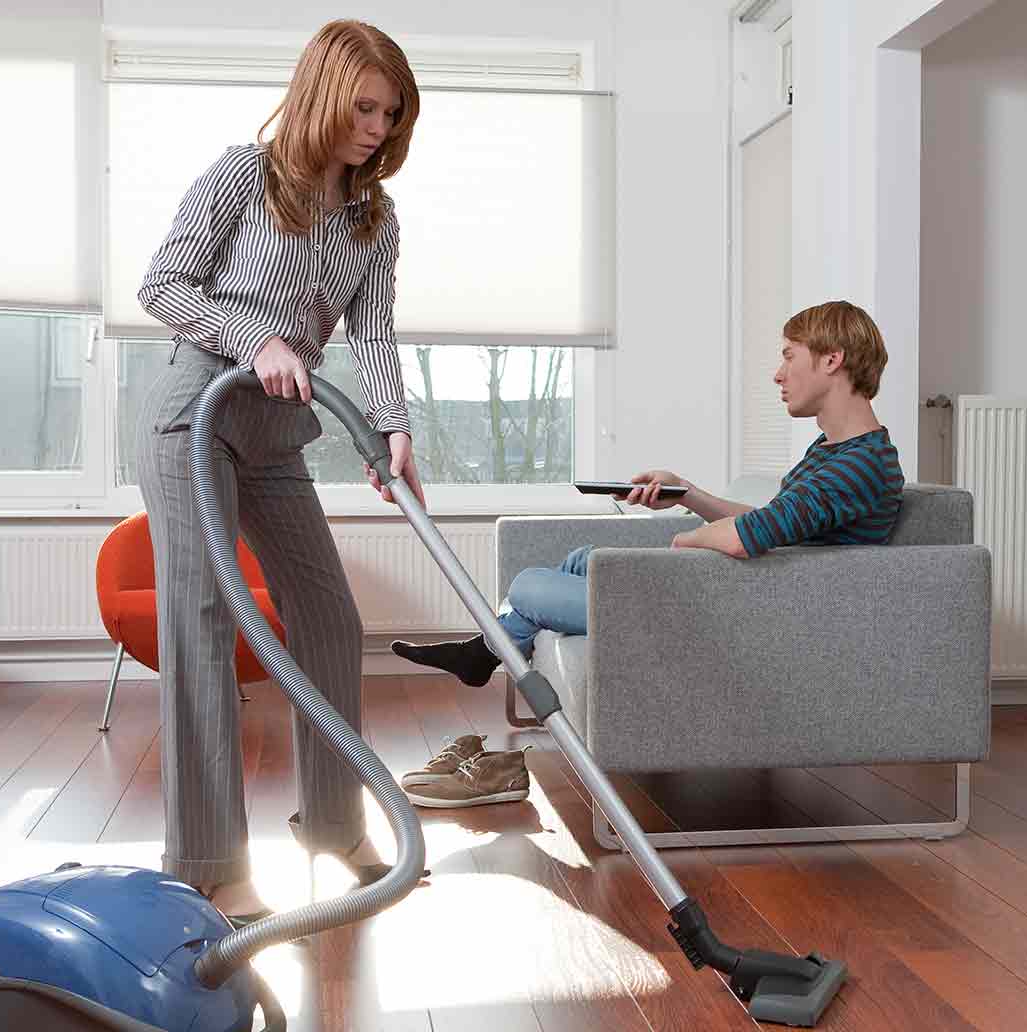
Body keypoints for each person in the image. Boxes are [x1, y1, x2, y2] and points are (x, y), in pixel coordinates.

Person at [134, 19, 427, 925]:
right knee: (203, 616)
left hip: (278, 435)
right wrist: (253, 338)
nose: (375, 128)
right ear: (322, 92)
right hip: (197, 414)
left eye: (390, 112)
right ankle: (209, 860)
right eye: (363, 106)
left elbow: (372, 332)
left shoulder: (373, 219)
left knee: (331, 618)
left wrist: (392, 430)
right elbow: (162, 284)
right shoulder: (241, 174)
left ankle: (334, 827)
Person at [389, 301, 904, 805]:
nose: (777, 373)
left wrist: (687, 541)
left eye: (789, 355)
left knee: (528, 586)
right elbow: (774, 519)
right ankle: (486, 651)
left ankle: (485, 651)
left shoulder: (857, 465)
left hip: (740, 616)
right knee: (581, 559)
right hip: (740, 596)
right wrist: (686, 492)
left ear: (831, 359)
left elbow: (748, 535)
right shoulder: (838, 453)